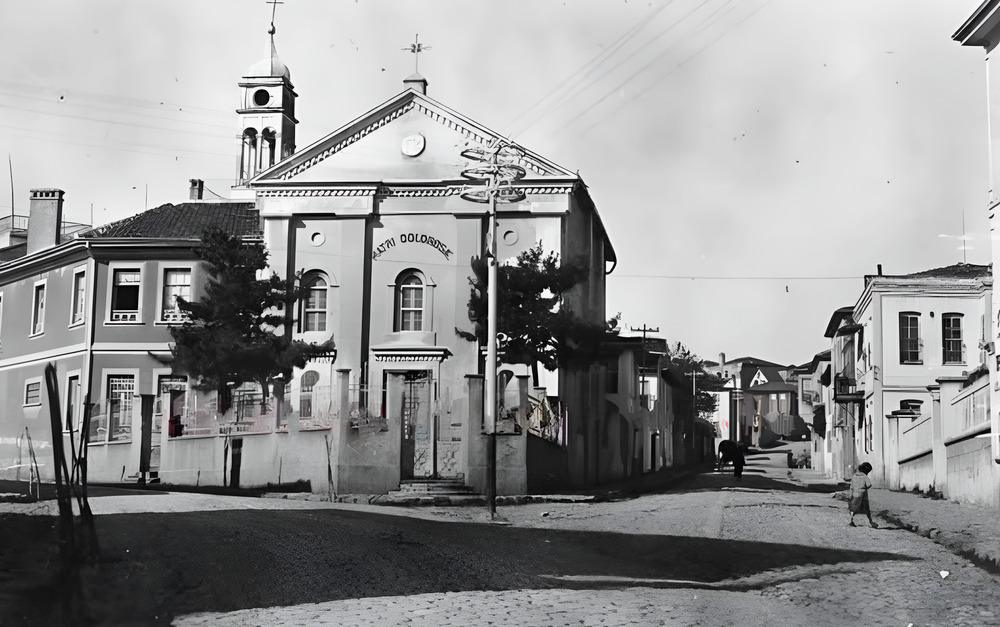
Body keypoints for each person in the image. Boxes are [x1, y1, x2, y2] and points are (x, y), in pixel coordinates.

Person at [848, 462, 878, 528]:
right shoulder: (865, 477)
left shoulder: (854, 476)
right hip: (863, 494)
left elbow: (851, 487)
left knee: (853, 508)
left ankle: (851, 520)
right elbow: (869, 484)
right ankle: (871, 522)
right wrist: (864, 488)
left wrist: (850, 494)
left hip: (855, 494)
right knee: (866, 508)